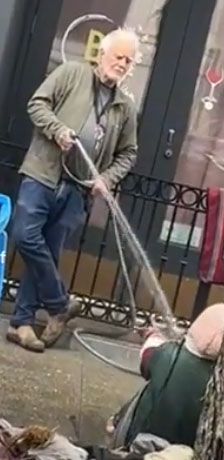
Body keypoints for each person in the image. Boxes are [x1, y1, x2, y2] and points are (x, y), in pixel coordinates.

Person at [6, 29, 140, 352]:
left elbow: (129, 153)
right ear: (101, 55)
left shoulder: (125, 106)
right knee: (25, 235)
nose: (121, 64)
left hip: (78, 191)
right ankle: (60, 302)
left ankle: (22, 324)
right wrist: (57, 131)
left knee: (48, 254)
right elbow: (37, 104)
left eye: (128, 60)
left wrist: (106, 179)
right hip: (43, 174)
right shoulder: (72, 73)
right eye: (117, 56)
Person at [109, 303, 224, 448]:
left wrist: (151, 335)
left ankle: (115, 425)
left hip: (139, 440)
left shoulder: (169, 354)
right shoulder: (223, 381)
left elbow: (148, 356)